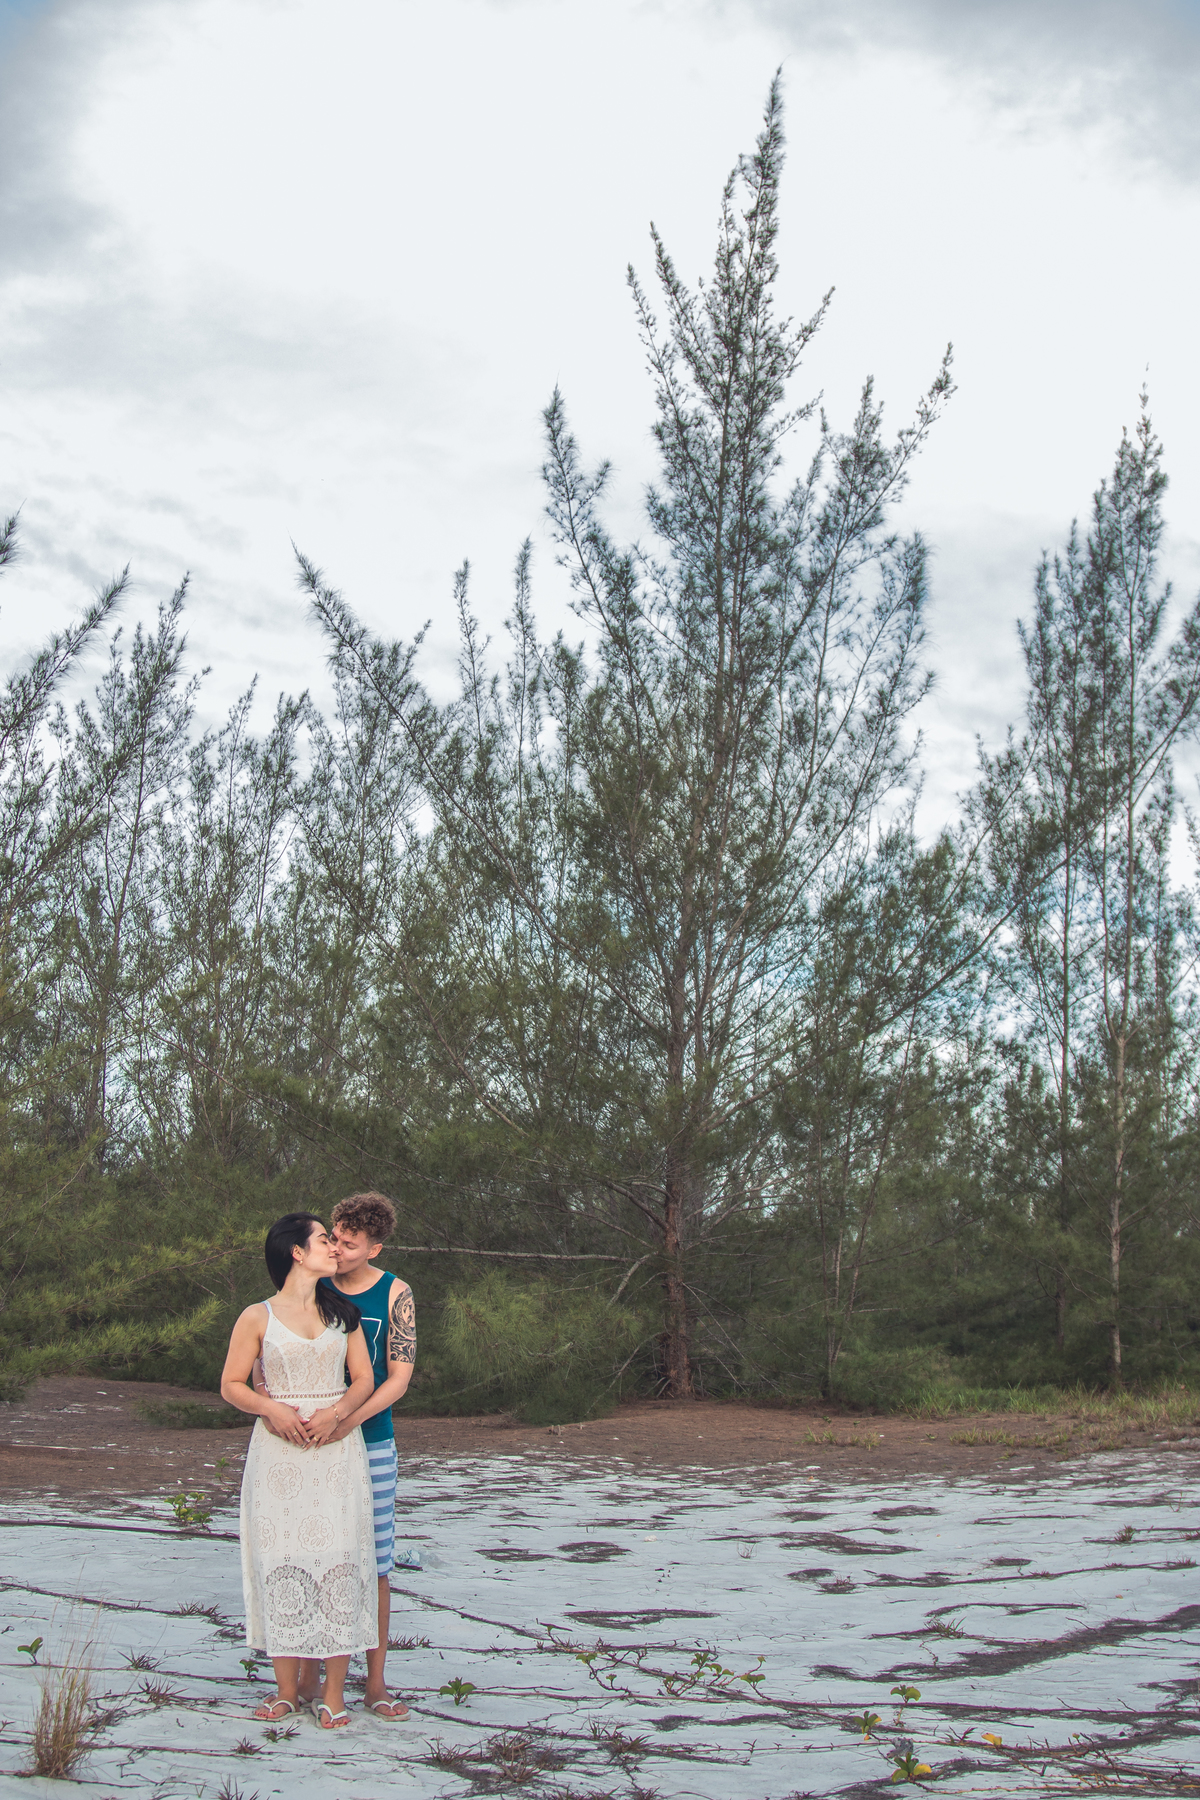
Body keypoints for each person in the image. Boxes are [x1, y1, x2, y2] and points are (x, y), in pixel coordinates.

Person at [254, 1190, 415, 1722]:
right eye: (335, 1238)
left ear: (375, 1249)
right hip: (307, 1443)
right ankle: (304, 1679)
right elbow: (266, 1357)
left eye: (350, 1243)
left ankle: (375, 1682)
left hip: (369, 1439)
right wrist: (272, 1406)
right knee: (308, 1551)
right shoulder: (313, 1283)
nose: (339, 1249)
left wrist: (345, 1421)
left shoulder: (395, 1294)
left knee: (374, 1562)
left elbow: (397, 1379)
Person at [220, 1213, 378, 1729]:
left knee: (340, 1560)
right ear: (296, 1251)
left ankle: (333, 1693)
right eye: (324, 1239)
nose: (335, 1247)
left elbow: (363, 1378)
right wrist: (273, 1409)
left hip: (335, 1449)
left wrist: (338, 1413)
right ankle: (286, 1691)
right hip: (279, 1453)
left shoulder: (344, 1313)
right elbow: (232, 1384)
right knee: (280, 1560)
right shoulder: (257, 1316)